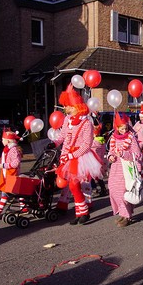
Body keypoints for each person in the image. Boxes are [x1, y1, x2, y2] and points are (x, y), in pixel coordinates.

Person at [54, 84, 103, 225]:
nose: (65, 108)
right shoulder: (67, 120)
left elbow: (86, 146)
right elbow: (62, 136)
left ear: (75, 107)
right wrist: (55, 143)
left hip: (79, 158)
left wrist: (71, 155)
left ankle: (83, 212)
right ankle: (80, 212)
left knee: (74, 185)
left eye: (67, 106)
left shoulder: (86, 123)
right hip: (67, 156)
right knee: (69, 185)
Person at [107, 112, 141, 227]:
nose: (124, 130)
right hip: (115, 167)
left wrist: (123, 154)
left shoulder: (131, 138)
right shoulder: (113, 137)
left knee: (122, 192)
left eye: (125, 128)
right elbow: (111, 150)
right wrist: (110, 156)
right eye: (121, 129)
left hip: (127, 168)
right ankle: (123, 213)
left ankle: (126, 216)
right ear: (117, 127)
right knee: (112, 189)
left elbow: (137, 155)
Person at [0, 130, 22, 218]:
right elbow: (7, 159)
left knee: (15, 192)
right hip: (7, 174)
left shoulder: (13, 150)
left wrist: (3, 165)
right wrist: (1, 161)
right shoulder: (7, 149)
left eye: (3, 139)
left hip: (12, 174)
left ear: (8, 140)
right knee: (9, 192)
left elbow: (15, 163)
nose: (1, 141)